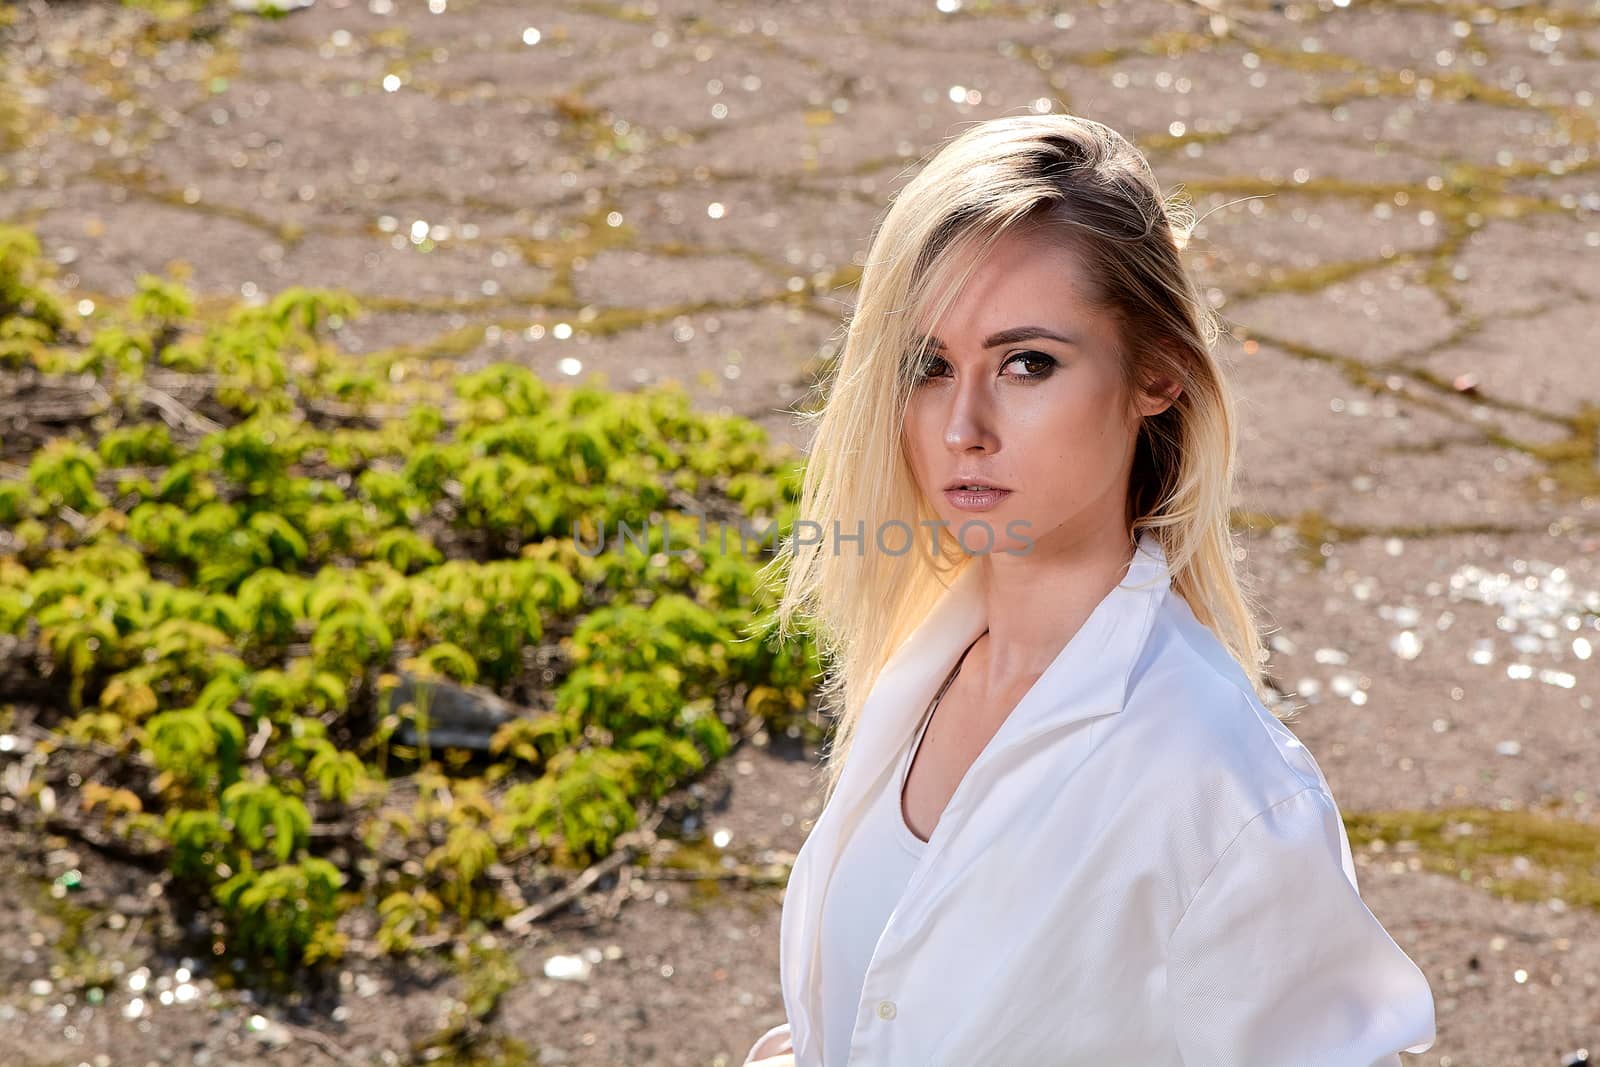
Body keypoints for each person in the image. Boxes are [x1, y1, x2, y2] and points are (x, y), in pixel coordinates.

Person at [740, 112, 1437, 1066]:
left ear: (1157, 374)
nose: (963, 428)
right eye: (930, 367)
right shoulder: (923, 665)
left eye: (1028, 363)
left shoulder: (1219, 781)